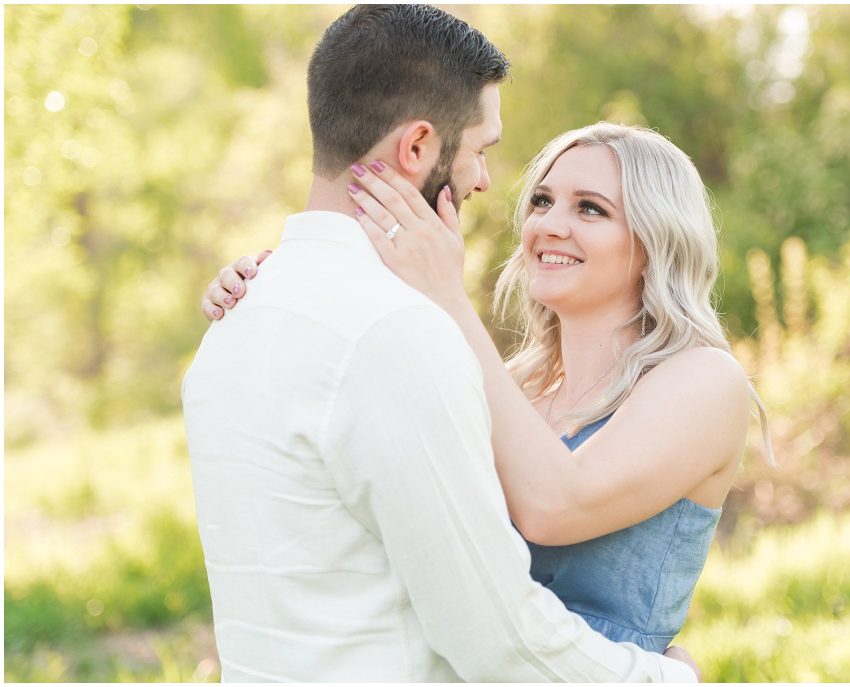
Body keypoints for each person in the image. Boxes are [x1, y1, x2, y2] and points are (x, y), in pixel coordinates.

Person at [182, 4, 701, 682]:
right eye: (480, 148)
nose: (486, 181)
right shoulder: (396, 332)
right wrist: (669, 677)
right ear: (418, 146)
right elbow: (496, 638)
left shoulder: (237, 320)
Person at [204, 121, 776, 652]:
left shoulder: (704, 379)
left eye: (591, 209)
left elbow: (556, 506)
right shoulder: (515, 387)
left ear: (655, 240)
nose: (551, 224)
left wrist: (449, 298)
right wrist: (280, 293)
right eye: (543, 201)